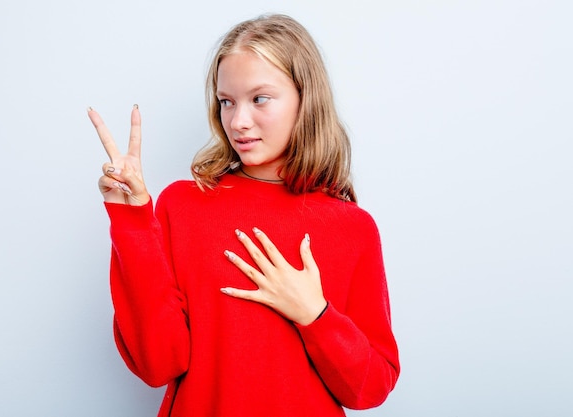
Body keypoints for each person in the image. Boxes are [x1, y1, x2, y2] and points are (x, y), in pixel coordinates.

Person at [88, 14, 399, 417]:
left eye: (260, 99)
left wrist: (315, 315)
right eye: (226, 101)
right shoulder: (183, 205)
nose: (238, 121)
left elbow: (370, 389)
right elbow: (158, 363)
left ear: (306, 99)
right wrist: (131, 221)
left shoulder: (352, 227)